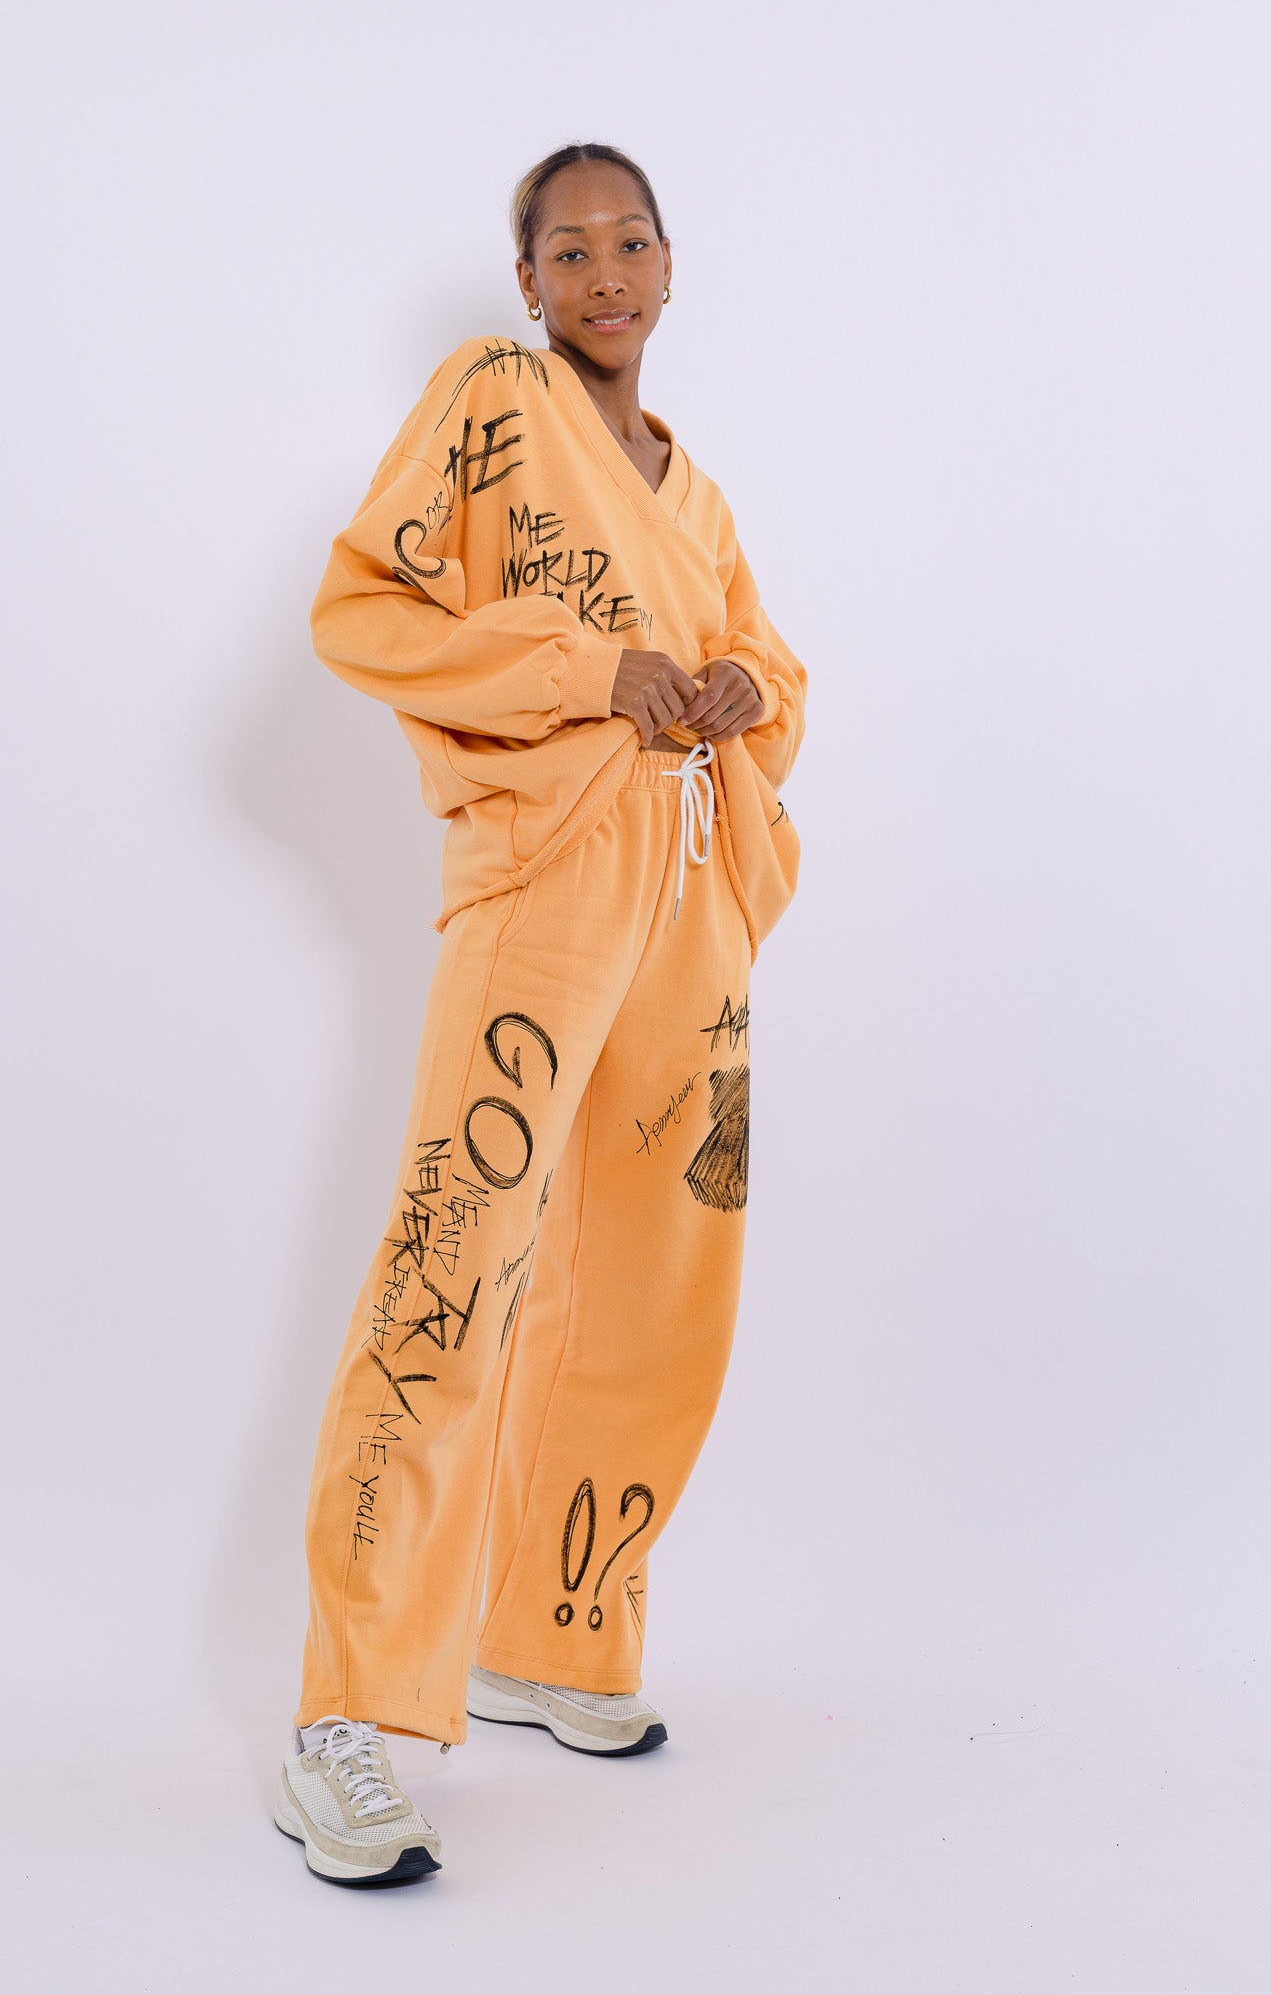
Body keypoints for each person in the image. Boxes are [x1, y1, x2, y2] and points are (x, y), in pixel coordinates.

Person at [272, 142, 808, 1887]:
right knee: (457, 1264)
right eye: (566, 249)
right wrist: (591, 671)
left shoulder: (693, 489)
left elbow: (773, 666)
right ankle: (343, 1719)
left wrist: (734, 690)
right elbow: (365, 606)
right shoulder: (491, 400)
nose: (604, 273)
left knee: (663, 1278)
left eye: (629, 241)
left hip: (689, 899)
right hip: (550, 882)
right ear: (525, 285)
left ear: (671, 264)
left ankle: (553, 1635)